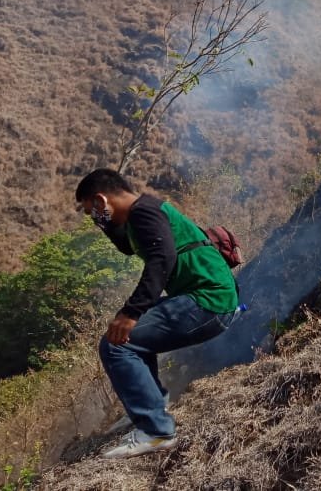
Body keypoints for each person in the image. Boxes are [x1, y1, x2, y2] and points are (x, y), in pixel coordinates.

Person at [75, 168, 240, 458]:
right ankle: (153, 403)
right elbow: (126, 246)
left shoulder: (144, 213)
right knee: (132, 336)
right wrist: (105, 221)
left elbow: (162, 259)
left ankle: (155, 431)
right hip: (208, 299)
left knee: (116, 344)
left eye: (92, 210)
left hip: (208, 301)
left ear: (101, 200)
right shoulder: (138, 217)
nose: (94, 218)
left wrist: (132, 311)